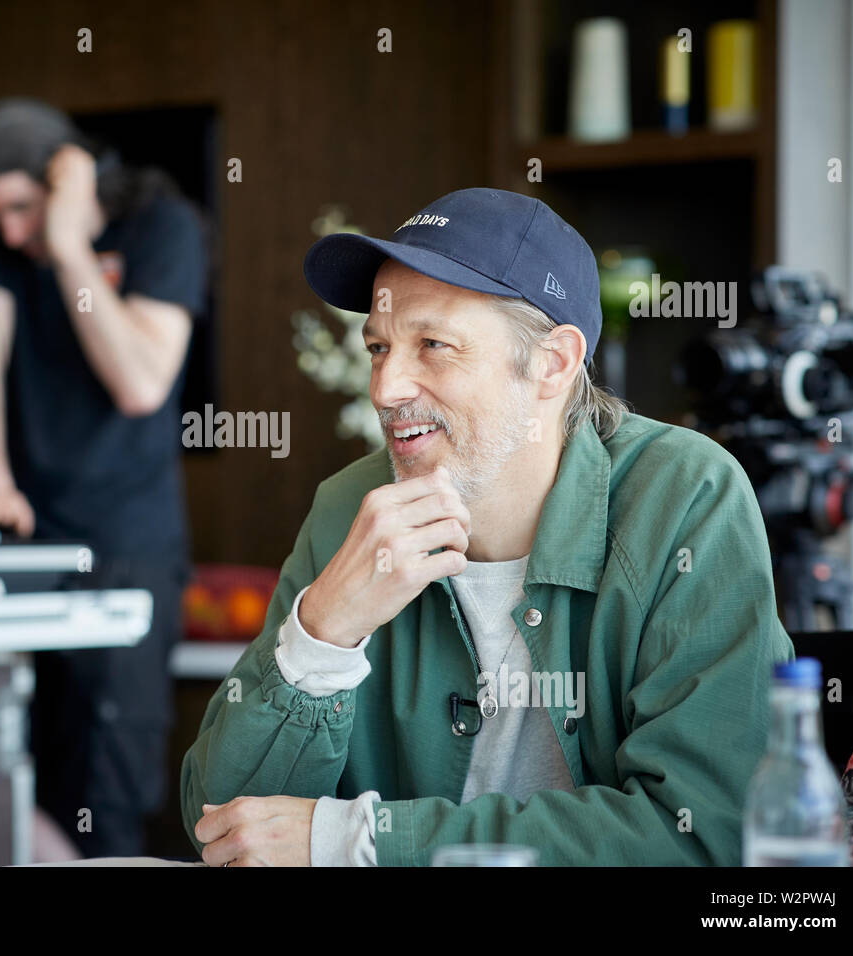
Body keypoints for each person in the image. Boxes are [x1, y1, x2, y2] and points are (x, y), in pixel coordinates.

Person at [181, 187, 794, 866]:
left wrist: (362, 842)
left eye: (434, 345)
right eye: (379, 349)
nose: (386, 389)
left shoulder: (682, 497)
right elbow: (223, 826)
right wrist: (321, 634)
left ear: (553, 363)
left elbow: (702, 835)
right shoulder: (350, 506)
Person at [0, 98, 208, 857]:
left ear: (70, 177)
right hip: (25, 543)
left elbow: (139, 382)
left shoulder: (163, 226)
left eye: (25, 210)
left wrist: (68, 247)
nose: (11, 234)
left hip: (128, 544)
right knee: (5, 771)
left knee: (106, 784)